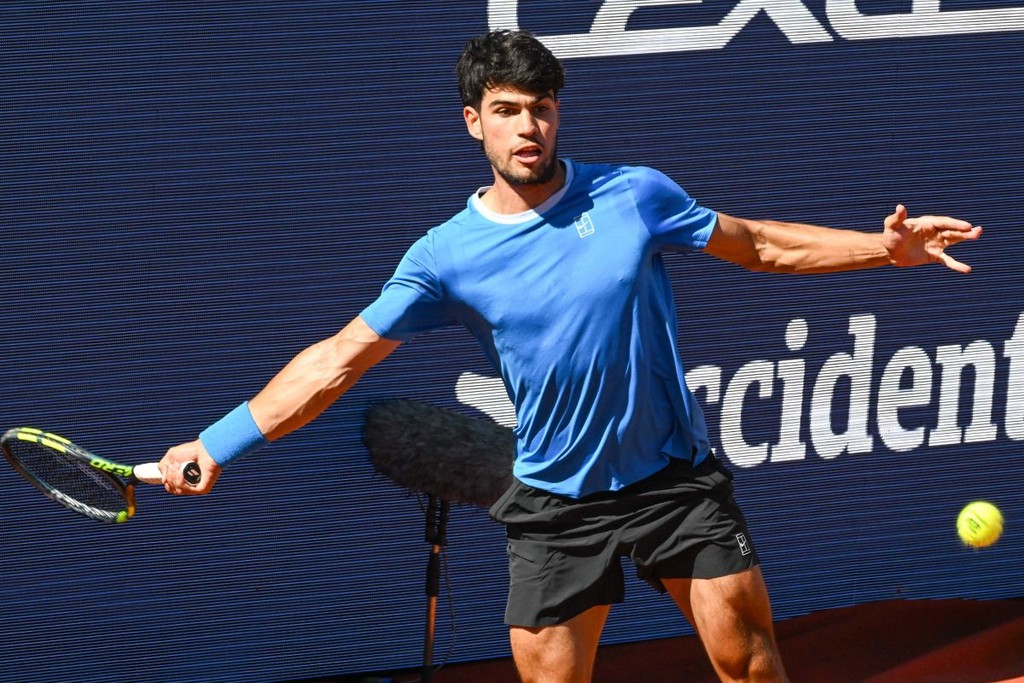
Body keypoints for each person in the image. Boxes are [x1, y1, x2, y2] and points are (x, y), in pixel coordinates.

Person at [160, 30, 981, 683]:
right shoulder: (446, 257)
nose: (529, 127)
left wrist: (885, 249)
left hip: (672, 480)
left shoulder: (634, 194)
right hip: (557, 501)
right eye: (508, 110)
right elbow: (338, 359)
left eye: (543, 108)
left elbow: (761, 245)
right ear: (474, 122)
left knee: (751, 662)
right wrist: (218, 441)